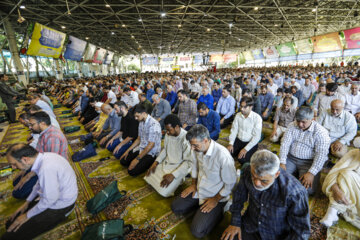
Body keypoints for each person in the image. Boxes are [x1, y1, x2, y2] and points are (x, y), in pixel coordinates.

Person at [221, 150, 310, 240]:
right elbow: (238, 198)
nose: (256, 183)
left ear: (276, 174)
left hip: (277, 235)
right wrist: (235, 223)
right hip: (250, 227)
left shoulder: (295, 192)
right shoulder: (248, 170)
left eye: (263, 181)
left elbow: (301, 231)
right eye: (253, 176)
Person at [171, 124, 237, 238]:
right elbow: (195, 167)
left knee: (197, 231)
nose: (192, 148)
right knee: (176, 207)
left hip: (215, 195)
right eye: (191, 145)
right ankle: (201, 209)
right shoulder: (197, 148)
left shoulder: (223, 156)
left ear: (205, 140)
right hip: (199, 189)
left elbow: (230, 183)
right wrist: (193, 185)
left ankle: (219, 211)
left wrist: (215, 200)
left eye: (195, 145)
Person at [2, 144, 77, 240]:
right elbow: (38, 184)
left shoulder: (46, 167)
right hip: (52, 197)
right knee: (11, 223)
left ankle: (60, 217)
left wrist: (26, 216)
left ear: (25, 159)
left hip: (62, 206)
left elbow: (50, 200)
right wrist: (27, 202)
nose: (13, 167)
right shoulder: (43, 158)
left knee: (10, 235)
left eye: (14, 164)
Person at [280, 106, 331, 195]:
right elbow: (285, 144)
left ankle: (296, 174)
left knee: (308, 190)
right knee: (277, 178)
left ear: (312, 119)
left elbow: (321, 155)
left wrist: (311, 173)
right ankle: (295, 173)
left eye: (303, 122)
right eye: (298, 121)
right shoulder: (292, 125)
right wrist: (282, 162)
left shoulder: (321, 132)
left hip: (308, 162)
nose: (300, 125)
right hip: (291, 159)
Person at [144, 114, 191, 197]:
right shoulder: (168, 135)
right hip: (166, 164)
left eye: (169, 130)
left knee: (163, 191)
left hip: (178, 168)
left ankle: (179, 180)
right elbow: (165, 150)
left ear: (176, 127)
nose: (167, 133)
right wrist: (156, 162)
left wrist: (173, 175)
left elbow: (188, 163)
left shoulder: (186, 138)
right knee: (148, 177)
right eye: (167, 130)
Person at [320, 149, 360, 228]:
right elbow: (333, 173)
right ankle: (333, 210)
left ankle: (332, 212)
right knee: (345, 174)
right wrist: (336, 190)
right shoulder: (354, 153)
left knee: (346, 175)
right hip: (350, 192)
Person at [120, 104, 162, 176]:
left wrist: (137, 159)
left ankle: (150, 162)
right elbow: (138, 139)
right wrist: (128, 150)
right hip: (141, 148)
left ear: (144, 113)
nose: (136, 118)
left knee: (132, 171)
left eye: (137, 116)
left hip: (151, 152)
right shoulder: (141, 122)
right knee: (123, 161)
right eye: (135, 116)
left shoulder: (154, 124)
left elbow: (150, 145)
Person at [228, 97, 262, 164]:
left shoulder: (257, 118)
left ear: (251, 107)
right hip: (238, 140)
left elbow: (256, 137)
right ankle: (238, 151)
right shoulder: (238, 115)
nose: (242, 109)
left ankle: (243, 152)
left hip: (250, 142)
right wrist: (231, 143)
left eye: (244, 107)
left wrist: (246, 149)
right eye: (241, 106)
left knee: (242, 160)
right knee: (227, 153)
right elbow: (234, 130)